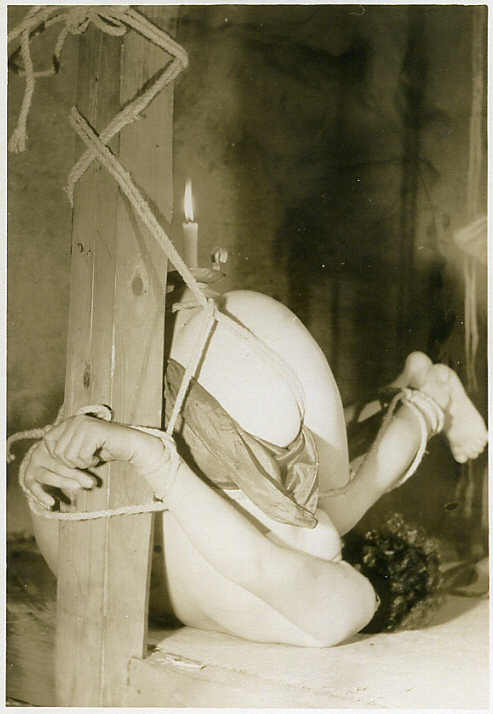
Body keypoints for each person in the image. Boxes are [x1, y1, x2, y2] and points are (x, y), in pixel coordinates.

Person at [23, 290, 488, 647]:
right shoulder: (337, 602)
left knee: (330, 504)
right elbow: (257, 563)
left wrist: (42, 463)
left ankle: (424, 396)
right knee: (327, 506)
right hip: (210, 369)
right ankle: (425, 398)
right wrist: (146, 456)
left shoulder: (323, 593)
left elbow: (49, 496)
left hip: (192, 355)